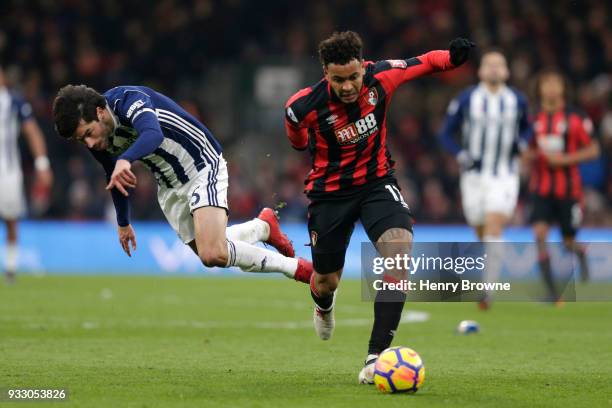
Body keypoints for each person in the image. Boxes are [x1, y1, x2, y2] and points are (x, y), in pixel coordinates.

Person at [284, 31, 474, 383]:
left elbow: (424, 62)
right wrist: (301, 139)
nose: (347, 87)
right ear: (325, 73)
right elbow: (296, 137)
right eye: (338, 79)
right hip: (329, 194)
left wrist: (452, 58)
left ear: (362, 67)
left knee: (399, 257)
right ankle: (323, 303)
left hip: (377, 183)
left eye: (353, 77)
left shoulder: (382, 76)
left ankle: (376, 357)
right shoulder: (304, 106)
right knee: (326, 281)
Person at [52, 84, 312, 283]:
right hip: (168, 185)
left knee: (213, 253)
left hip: (201, 163)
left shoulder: (128, 100)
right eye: (80, 140)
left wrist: (126, 159)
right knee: (209, 253)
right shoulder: (99, 139)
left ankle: (296, 268)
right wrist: (123, 222)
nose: (89, 144)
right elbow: (114, 177)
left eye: (87, 134)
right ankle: (262, 227)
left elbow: (152, 134)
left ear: (99, 111)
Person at [438, 50, 532, 308]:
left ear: (506, 71)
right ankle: (491, 269)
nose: (493, 69)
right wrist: (462, 155)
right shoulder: (468, 98)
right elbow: (445, 133)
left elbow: (528, 127)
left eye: (498, 65)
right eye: (489, 65)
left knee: (493, 225)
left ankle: (487, 291)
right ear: (480, 71)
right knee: (480, 227)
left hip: (504, 174)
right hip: (473, 177)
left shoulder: (517, 100)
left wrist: (522, 144)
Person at [527, 70, 599, 300]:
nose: (549, 87)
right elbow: (526, 149)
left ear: (563, 89)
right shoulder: (533, 120)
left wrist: (564, 160)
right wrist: (527, 155)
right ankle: (551, 292)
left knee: (568, 241)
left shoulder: (576, 118)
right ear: (539, 89)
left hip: (569, 190)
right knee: (539, 233)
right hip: (541, 188)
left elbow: (593, 150)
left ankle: (580, 251)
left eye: (554, 82)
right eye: (545, 82)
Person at [0, 64, 53, 284]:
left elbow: (32, 131)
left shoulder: (13, 101)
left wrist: (42, 164)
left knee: (11, 219)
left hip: (7, 170)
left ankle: (11, 269)